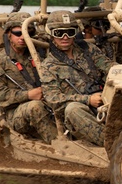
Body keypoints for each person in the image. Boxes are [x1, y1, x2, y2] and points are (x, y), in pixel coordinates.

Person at [39, 10, 116, 146]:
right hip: (79, 113)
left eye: (70, 32)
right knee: (73, 109)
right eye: (59, 33)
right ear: (51, 35)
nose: (65, 37)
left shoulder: (88, 49)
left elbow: (110, 68)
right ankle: (113, 144)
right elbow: (53, 99)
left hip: (103, 100)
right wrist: (87, 100)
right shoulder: (48, 66)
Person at [0, 13, 57, 144]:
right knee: (35, 106)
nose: (23, 37)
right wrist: (28, 95)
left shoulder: (39, 54)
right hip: (14, 114)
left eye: (28, 33)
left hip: (48, 103)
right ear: (8, 34)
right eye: (18, 33)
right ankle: (59, 146)